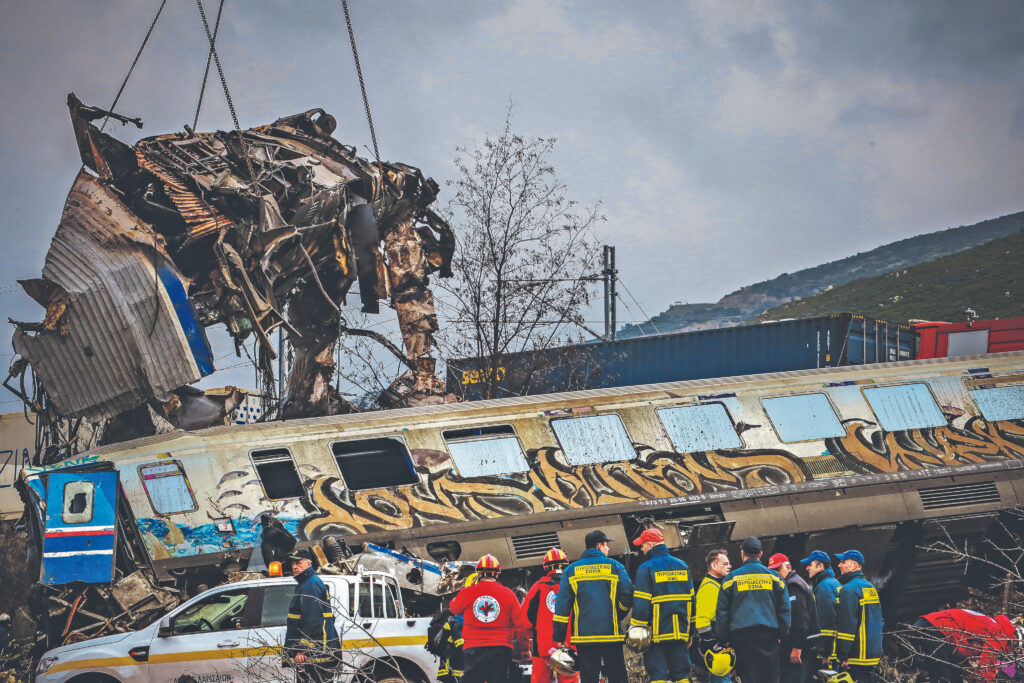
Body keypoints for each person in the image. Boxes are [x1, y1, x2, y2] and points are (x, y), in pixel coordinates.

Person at [552, 530, 634, 683]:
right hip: (611, 635)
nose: (608, 549)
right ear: (598, 545)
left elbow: (562, 607)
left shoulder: (570, 571)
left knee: (589, 678)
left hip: (585, 638)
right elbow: (628, 594)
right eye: (606, 545)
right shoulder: (615, 567)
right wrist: (618, 614)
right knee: (618, 676)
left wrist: (559, 636)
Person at [714, 537, 791, 683]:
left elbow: (722, 613)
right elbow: (785, 608)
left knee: (749, 678)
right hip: (769, 638)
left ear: (742, 554)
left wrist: (724, 640)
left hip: (742, 640)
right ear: (761, 554)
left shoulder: (731, 579)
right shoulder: (775, 578)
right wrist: (782, 634)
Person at [450, 554, 529, 683]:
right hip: (500, 650)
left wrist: (462, 593)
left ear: (478, 574)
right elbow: (520, 625)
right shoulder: (508, 594)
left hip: (473, 649)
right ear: (497, 574)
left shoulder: (467, 592)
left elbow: (454, 609)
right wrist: (525, 649)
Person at [631, 528, 694, 683]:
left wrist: (637, 632)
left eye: (643, 545)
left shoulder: (646, 568)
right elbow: (691, 602)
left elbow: (641, 603)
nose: (641, 548)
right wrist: (690, 631)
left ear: (651, 545)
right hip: (680, 632)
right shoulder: (682, 566)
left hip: (655, 635)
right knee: (681, 675)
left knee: (658, 675)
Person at [908, 608, 1022, 682]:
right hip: (934, 629)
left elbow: (971, 664)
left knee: (955, 676)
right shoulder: (1000, 634)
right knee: (943, 677)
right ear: (1015, 640)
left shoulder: (993, 628)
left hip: (931, 627)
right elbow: (986, 667)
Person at [284, 549, 340, 683]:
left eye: (299, 562)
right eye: (293, 563)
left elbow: (313, 620)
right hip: (315, 652)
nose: (295, 566)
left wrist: (303, 650)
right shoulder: (306, 583)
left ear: (309, 564)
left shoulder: (310, 585)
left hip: (314, 654)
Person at [524, 548, 577, 683]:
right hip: (569, 644)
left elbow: (525, 619)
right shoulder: (573, 585)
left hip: (542, 647)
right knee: (569, 679)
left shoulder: (537, 587)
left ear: (545, 567)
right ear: (565, 565)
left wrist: (530, 635)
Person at [833, 550, 882, 683]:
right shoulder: (869, 587)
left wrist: (842, 655)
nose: (839, 565)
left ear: (854, 565)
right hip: (871, 653)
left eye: (843, 562)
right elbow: (878, 620)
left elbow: (846, 625)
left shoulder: (848, 590)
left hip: (856, 655)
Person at [767, 554, 817, 683]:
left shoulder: (792, 586)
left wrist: (797, 647)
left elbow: (799, 617)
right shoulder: (792, 582)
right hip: (799, 645)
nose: (775, 574)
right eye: (772, 571)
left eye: (778, 569)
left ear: (788, 567)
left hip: (798, 648)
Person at [693, 549, 733, 683]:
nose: (730, 566)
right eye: (725, 564)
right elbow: (702, 619)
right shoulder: (710, 588)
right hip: (716, 647)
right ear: (714, 566)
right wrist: (713, 644)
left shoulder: (716, 585)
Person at [801, 550, 841, 668]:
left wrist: (824, 653)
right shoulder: (834, 583)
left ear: (820, 566)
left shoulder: (823, 587)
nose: (807, 568)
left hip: (827, 653)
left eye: (810, 565)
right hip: (834, 648)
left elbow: (826, 622)